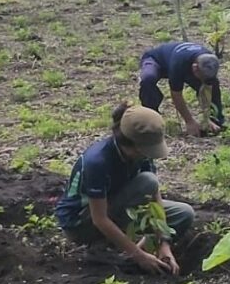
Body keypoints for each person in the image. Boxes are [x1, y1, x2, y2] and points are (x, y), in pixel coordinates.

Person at [55, 103, 194, 275]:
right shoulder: (98, 162)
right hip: (82, 223)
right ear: (130, 145)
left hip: (118, 206)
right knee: (147, 181)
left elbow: (153, 195)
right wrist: (138, 256)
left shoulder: (140, 154)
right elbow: (100, 219)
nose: (148, 155)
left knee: (184, 213)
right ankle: (101, 247)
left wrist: (163, 242)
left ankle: (133, 247)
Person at [138, 40, 223, 136]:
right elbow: (176, 95)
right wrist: (189, 122)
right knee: (148, 79)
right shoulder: (179, 63)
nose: (203, 80)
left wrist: (207, 117)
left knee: (214, 84)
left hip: (185, 64)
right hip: (155, 60)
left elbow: (208, 89)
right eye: (202, 77)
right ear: (194, 68)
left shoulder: (209, 61)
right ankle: (152, 118)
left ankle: (214, 122)